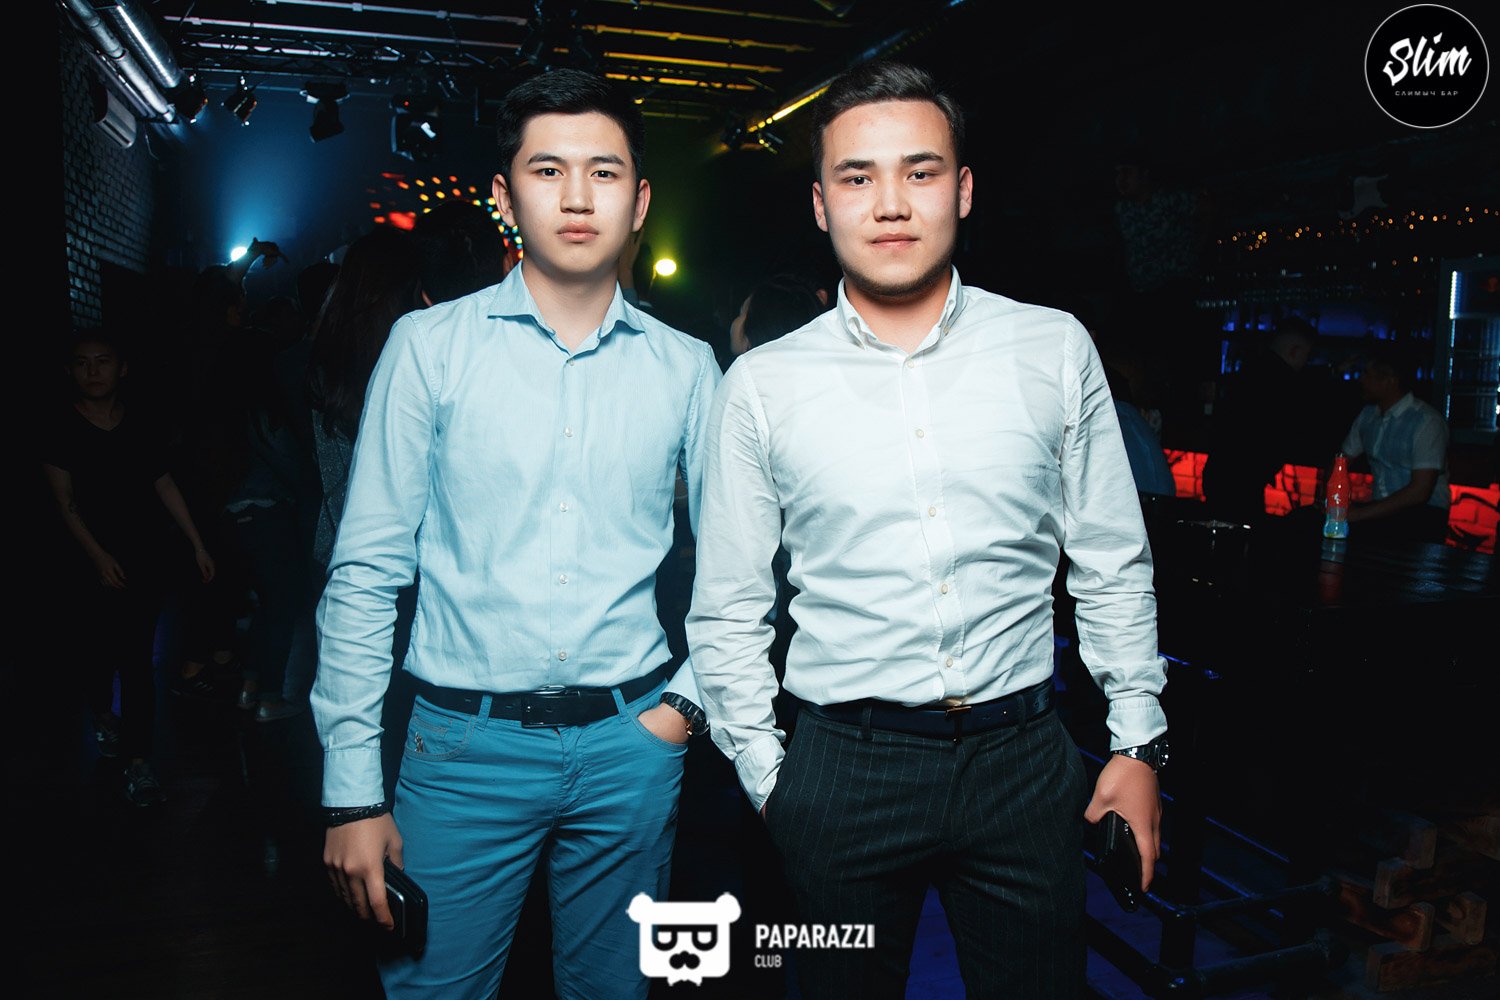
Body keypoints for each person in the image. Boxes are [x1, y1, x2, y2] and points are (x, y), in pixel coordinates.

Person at [686, 62, 1168, 999]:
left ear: (964, 188)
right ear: (821, 204)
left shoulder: (1052, 347)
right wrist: (772, 781)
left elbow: (1112, 560)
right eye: (857, 176)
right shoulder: (763, 386)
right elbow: (728, 609)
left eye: (920, 170)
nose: (891, 203)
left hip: (1024, 761)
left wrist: (1136, 742)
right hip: (842, 769)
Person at [314, 69, 719, 1000]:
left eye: (605, 172)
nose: (577, 197)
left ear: (639, 201)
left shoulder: (688, 368)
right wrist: (352, 792)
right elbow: (366, 569)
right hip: (463, 751)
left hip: (632, 746)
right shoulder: (429, 347)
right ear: (505, 197)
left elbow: (741, 570)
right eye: (548, 170)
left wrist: (683, 711)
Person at [43, 331, 216, 805]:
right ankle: (102, 714)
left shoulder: (141, 423)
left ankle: (139, 762)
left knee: (136, 661)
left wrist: (197, 543)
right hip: (81, 564)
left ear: (122, 369)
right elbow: (64, 502)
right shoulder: (59, 427)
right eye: (82, 363)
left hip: (143, 559)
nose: (93, 371)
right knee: (95, 655)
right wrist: (98, 557)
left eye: (103, 361)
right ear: (70, 371)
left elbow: (164, 484)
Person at [1202, 317, 1318, 524]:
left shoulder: (1251, 370)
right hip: (1242, 479)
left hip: (1225, 473)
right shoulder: (1283, 380)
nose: (1305, 363)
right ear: (1295, 351)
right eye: (1306, 356)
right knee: (1240, 532)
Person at [1339, 342, 1451, 543]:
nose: (1361, 379)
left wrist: (1358, 514)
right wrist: (1333, 498)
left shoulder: (1426, 421)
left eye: (1367, 374)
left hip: (1423, 514)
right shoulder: (1367, 416)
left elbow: (1420, 492)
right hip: (1382, 511)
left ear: (1389, 381)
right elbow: (1342, 460)